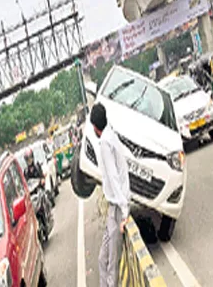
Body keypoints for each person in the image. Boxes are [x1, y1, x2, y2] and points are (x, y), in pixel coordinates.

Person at [91, 103, 130, 287]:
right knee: (102, 259)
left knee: (112, 264)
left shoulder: (106, 143)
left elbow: (114, 177)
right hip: (112, 210)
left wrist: (124, 212)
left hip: (117, 209)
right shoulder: (110, 135)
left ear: (95, 126)